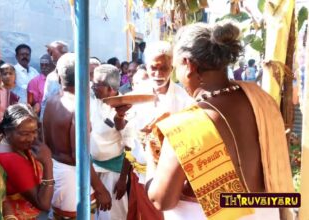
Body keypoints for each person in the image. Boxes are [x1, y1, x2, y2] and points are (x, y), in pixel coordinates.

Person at [145, 22, 294, 219]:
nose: (177, 75)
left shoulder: (186, 125)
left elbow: (161, 200)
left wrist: (150, 153)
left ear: (189, 65)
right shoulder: (261, 99)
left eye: (176, 67)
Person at [124, 41, 194, 220]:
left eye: (163, 68)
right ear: (147, 66)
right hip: (141, 173)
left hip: (170, 177)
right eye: (153, 68)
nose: (158, 74)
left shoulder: (184, 100)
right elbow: (125, 133)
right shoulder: (135, 95)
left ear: (172, 67)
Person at [42, 53, 112, 219]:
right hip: (72, 178)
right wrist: (101, 189)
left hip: (55, 171)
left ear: (59, 77)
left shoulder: (52, 101)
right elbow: (79, 157)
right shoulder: (77, 107)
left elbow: (44, 140)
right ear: (84, 78)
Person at [0, 103, 54, 219]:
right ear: (7, 131)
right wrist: (48, 162)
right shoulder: (12, 160)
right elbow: (43, 204)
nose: (31, 138)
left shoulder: (5, 141)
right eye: (24, 134)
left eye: (34, 131)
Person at [90, 64, 131, 220]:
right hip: (92, 169)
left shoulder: (125, 108)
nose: (93, 86)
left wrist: (122, 180)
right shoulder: (92, 99)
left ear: (110, 88)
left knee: (112, 215)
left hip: (114, 171)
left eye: (97, 84)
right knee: (91, 213)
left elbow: (129, 146)